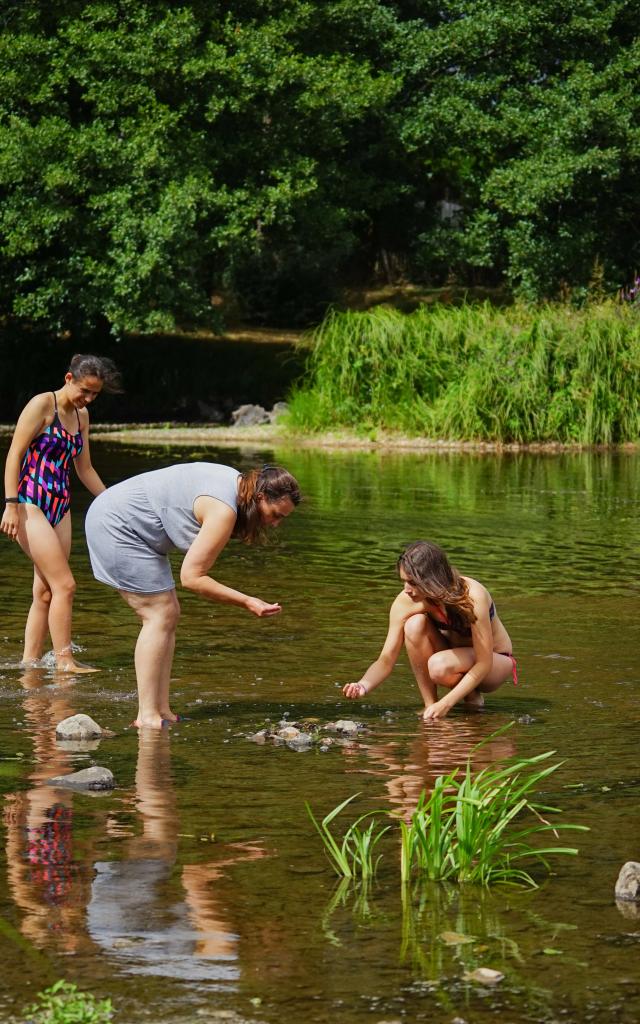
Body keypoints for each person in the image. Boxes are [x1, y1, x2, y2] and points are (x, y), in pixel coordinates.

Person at [85, 462, 301, 728]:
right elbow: (192, 577)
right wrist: (247, 601)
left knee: (169, 613)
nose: (275, 524)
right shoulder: (224, 510)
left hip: (125, 521)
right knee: (158, 614)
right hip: (116, 524)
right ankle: (147, 716)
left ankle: (162, 710)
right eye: (275, 514)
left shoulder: (238, 484)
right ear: (260, 497)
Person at [1, 354, 122, 672]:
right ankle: (65, 661)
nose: (88, 398)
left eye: (95, 394)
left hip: (61, 507)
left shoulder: (82, 417)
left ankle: (29, 665)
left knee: (44, 591)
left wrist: (114, 501)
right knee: (65, 585)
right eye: (85, 390)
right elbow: (14, 454)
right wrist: (10, 505)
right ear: (69, 379)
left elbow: (85, 469)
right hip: (30, 503)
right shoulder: (42, 405)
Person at [343, 540, 517, 721]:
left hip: (494, 663)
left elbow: (484, 663)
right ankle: (430, 707)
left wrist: (446, 703)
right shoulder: (405, 602)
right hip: (452, 659)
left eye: (412, 582)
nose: (406, 590)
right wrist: (362, 685)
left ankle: (472, 700)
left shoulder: (473, 596)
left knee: (439, 665)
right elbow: (386, 660)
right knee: (413, 625)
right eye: (404, 581)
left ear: (433, 579)